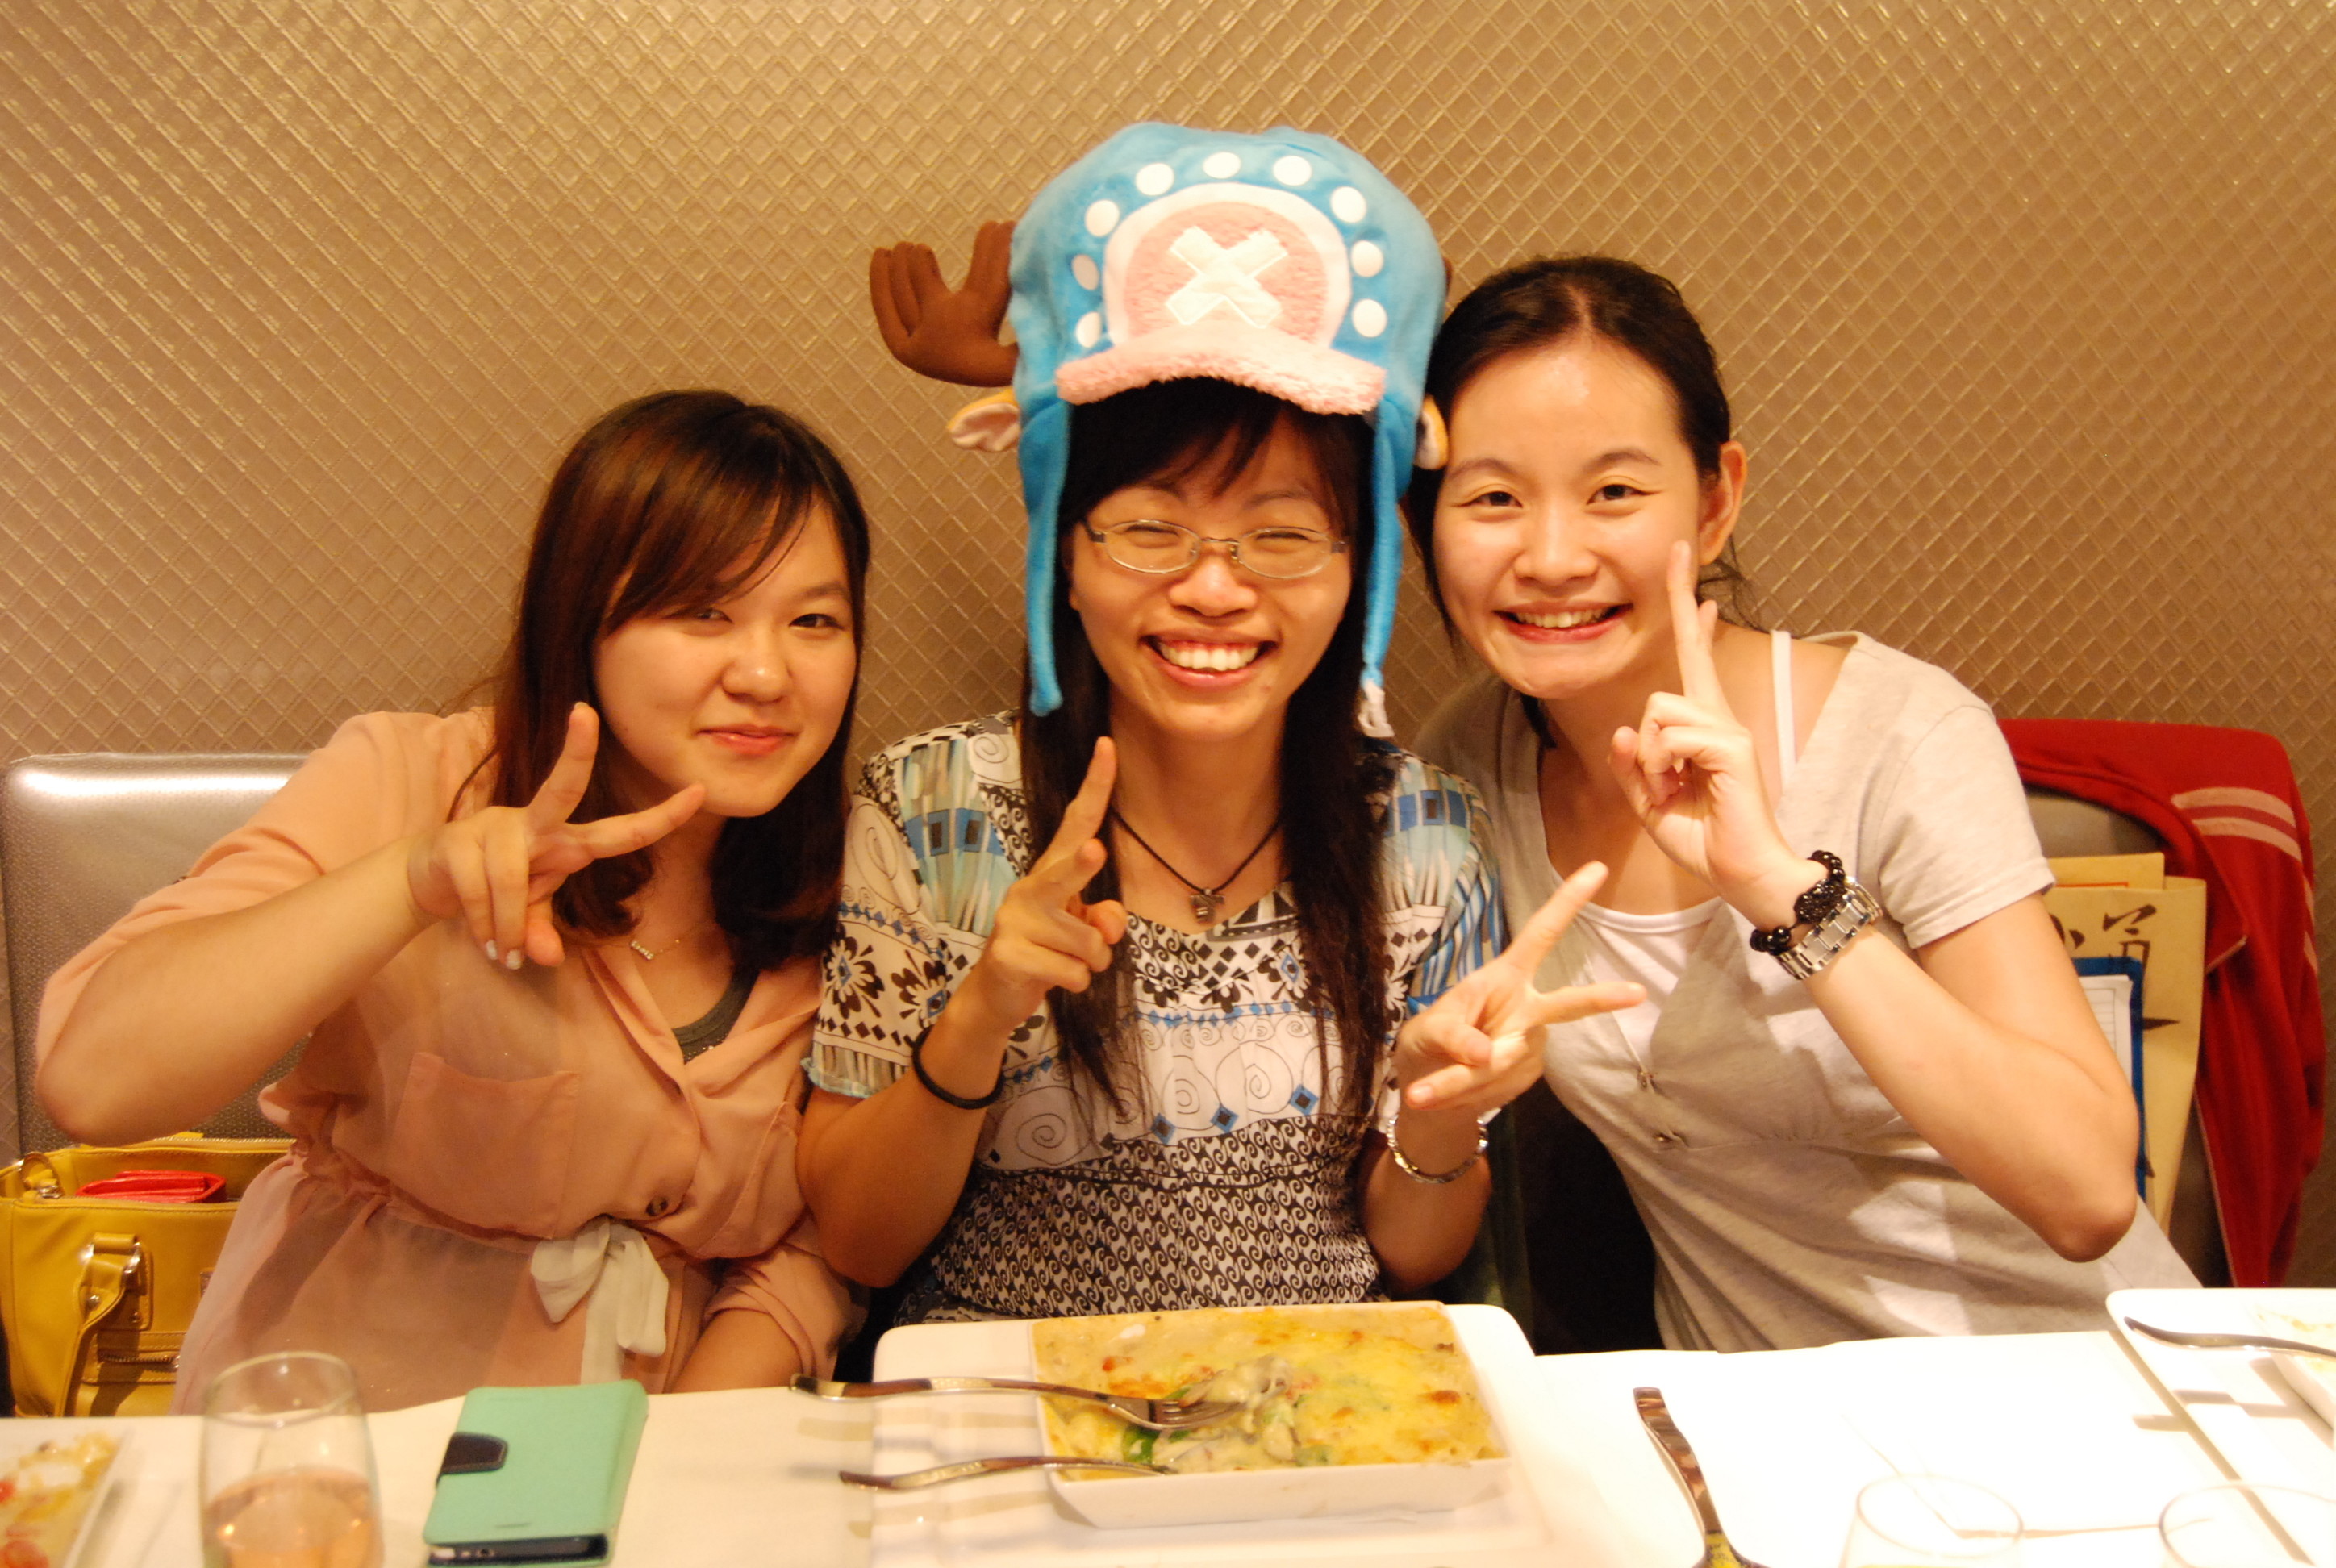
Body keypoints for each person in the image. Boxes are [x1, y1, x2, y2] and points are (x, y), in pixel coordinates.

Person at [799, 125, 1641, 1323]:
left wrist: (1438, 1116)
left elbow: (1414, 1258)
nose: (1212, 587)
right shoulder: (930, 809)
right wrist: (982, 1009)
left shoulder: (1422, 836)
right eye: (1150, 527)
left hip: (1322, 1396)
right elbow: (860, 1244)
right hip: (1007, 1404)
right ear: (1066, 556)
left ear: (1354, 569)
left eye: (1282, 535)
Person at [1405, 256, 2196, 1352]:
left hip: (2071, 1382)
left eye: (1614, 493)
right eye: (1493, 498)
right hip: (1752, 1422)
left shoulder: (1898, 733)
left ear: (1715, 501)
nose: (1549, 557)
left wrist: (1782, 889)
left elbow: (2087, 1193)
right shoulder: (1468, 765)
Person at [37, 390, 869, 1407]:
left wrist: (673, 1454)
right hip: (351, 1429)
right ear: (581, 618)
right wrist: (411, 880)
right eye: (704, 611)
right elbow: (96, 1082)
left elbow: (819, 1242)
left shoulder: (860, 875)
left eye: (815, 621)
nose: (767, 673)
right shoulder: (409, 779)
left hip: (662, 1445)